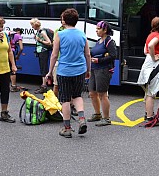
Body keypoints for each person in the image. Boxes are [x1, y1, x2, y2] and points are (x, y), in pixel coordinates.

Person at [46, 8, 91, 138]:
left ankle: (67, 128)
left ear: (64, 21)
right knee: (77, 96)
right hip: (80, 70)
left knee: (65, 99)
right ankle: (81, 119)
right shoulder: (82, 34)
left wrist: (49, 72)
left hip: (64, 70)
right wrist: (88, 70)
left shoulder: (60, 35)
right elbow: (87, 54)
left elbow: (54, 55)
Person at [137, 17, 159, 123]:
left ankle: (147, 114)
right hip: (153, 64)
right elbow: (150, 46)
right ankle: (150, 117)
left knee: (149, 90)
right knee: (152, 92)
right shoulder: (158, 35)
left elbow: (146, 49)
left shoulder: (150, 35)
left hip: (148, 63)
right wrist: (154, 57)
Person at [87, 21, 117, 126]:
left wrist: (99, 60)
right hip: (94, 69)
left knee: (102, 94)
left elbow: (113, 55)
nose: (96, 31)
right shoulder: (99, 41)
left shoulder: (109, 41)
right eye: (96, 29)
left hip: (103, 70)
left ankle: (106, 118)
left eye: (99, 29)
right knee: (92, 93)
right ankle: (97, 114)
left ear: (105, 30)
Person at [30, 18, 52, 94]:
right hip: (41, 51)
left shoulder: (42, 32)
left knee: (43, 68)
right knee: (42, 68)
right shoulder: (39, 31)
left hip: (43, 51)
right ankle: (44, 85)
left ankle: (44, 86)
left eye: (32, 25)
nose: (32, 27)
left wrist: (39, 40)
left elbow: (49, 42)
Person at [9, 28, 24, 92]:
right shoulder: (18, 35)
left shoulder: (8, 34)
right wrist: (18, 55)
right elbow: (21, 48)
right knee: (13, 70)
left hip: (4, 52)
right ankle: (13, 86)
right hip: (12, 52)